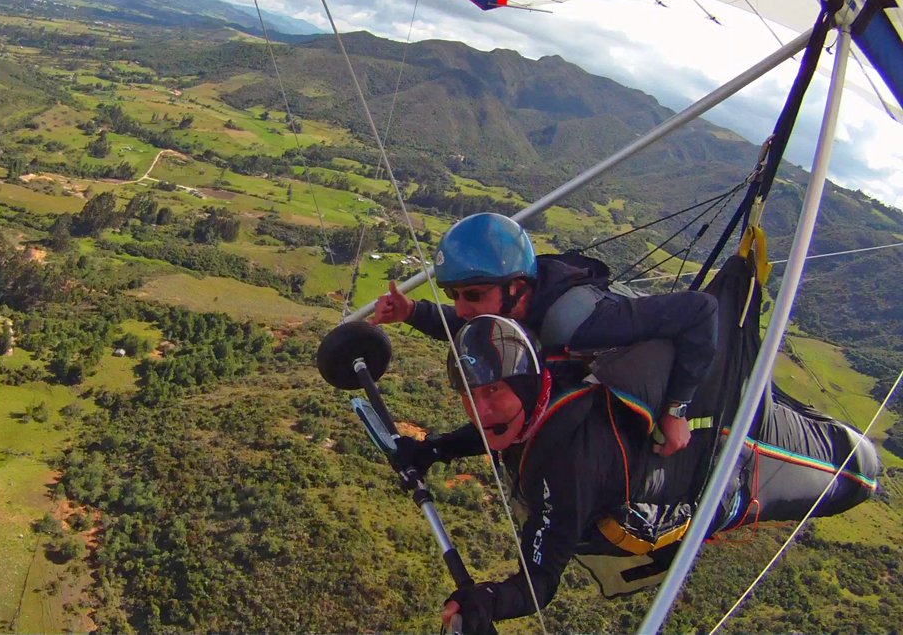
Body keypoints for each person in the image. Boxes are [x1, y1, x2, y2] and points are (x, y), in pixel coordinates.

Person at [395, 315, 878, 634]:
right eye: (469, 394)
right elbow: (498, 428)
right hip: (701, 436)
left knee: (860, 474)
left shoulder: (564, 471)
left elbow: (538, 583)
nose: (479, 409)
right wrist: (434, 448)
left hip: (731, 477)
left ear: (523, 385)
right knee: (816, 433)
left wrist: (489, 600)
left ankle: (852, 454)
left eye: (493, 392)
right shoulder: (549, 381)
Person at [371, 212, 718, 457]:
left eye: (473, 294)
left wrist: (676, 409)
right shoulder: (514, 308)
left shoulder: (580, 323)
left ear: (515, 287)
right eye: (453, 295)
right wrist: (411, 311)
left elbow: (701, 309)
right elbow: (470, 328)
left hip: (677, 383)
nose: (461, 308)